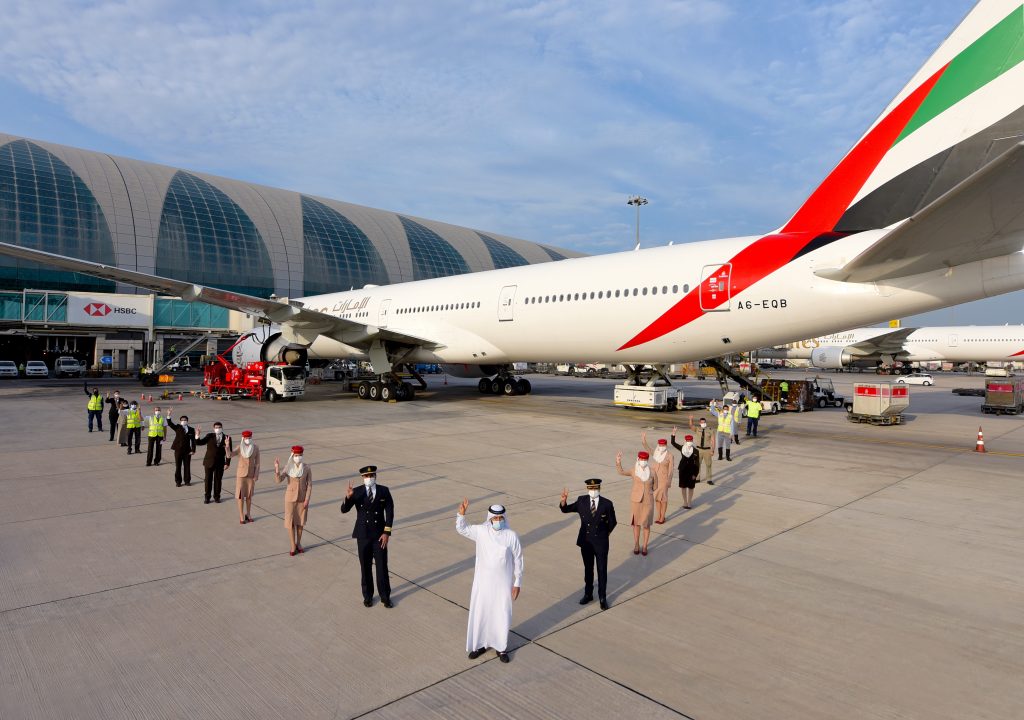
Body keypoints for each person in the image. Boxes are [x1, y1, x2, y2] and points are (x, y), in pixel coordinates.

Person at [456, 499, 524, 663]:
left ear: (504, 518)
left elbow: (518, 559)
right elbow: (462, 528)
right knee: (482, 612)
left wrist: (517, 582)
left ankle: (501, 648)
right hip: (483, 583)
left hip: (503, 584)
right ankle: (480, 645)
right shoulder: (481, 531)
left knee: (501, 613)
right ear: (490, 518)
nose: (498, 521)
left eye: (501, 518)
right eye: (495, 518)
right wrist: (461, 514)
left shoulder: (511, 536)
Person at [341, 465, 395, 607]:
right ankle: (368, 596)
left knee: (382, 567)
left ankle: (385, 597)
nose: (369, 478)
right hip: (363, 535)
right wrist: (348, 497)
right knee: (365, 567)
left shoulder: (384, 491)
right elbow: (344, 510)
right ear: (362, 478)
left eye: (371, 476)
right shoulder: (357, 492)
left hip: (379, 536)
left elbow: (389, 512)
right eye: (366, 476)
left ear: (375, 476)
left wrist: (386, 532)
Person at [559, 478, 616, 610]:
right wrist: (563, 501)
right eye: (591, 489)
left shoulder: (607, 504)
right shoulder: (582, 501)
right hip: (586, 541)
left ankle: (602, 597)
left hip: (601, 543)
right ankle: (588, 593)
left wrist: (604, 534)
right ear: (587, 489)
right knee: (588, 569)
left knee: (602, 570)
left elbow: (613, 522)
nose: (593, 491)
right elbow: (566, 509)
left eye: (595, 489)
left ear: (599, 489)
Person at [616, 449, 655, 556]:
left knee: (646, 525)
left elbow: (655, 486)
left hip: (648, 502)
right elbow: (621, 472)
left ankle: (645, 545)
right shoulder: (634, 470)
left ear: (647, 460)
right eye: (641, 459)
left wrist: (649, 492)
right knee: (636, 524)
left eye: (645, 459)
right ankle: (637, 544)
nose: (643, 461)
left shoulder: (652, 471)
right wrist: (618, 462)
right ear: (638, 459)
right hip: (635, 501)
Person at [274, 447, 312, 556]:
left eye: (300, 455)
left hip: (302, 499)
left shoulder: (307, 468)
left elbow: (309, 485)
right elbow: (278, 480)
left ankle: (299, 543)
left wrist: (307, 499)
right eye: (296, 455)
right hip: (290, 499)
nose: (298, 457)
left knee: (300, 523)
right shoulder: (288, 467)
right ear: (292, 455)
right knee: (290, 523)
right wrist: (277, 469)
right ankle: (292, 545)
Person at [641, 431, 673, 524]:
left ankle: (662, 517)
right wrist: (644, 440)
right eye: (660, 445)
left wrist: (669, 481)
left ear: (666, 445)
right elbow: (647, 448)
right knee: (657, 498)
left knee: (663, 499)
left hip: (664, 480)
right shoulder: (656, 453)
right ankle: (659, 515)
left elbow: (671, 470)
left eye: (663, 445)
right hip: (655, 479)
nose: (662, 447)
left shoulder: (670, 456)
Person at [196, 421, 232, 503]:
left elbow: (229, 451)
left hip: (220, 463)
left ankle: (217, 497)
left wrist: (227, 463)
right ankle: (207, 497)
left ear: (222, 428)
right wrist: (197, 435)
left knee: (218, 480)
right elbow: (199, 443)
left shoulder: (227, 437)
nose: (218, 429)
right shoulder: (210, 436)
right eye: (216, 427)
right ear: (213, 428)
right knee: (208, 480)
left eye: (219, 427)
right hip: (209, 462)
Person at [230, 430, 260, 524]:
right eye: (246, 438)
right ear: (243, 438)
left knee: (249, 496)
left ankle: (249, 514)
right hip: (241, 475)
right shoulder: (240, 447)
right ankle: (241, 515)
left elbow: (258, 463)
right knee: (240, 496)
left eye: (249, 438)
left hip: (251, 475)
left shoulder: (255, 448)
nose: (248, 439)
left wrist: (256, 475)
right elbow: (229, 455)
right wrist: (227, 447)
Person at [165, 411, 196, 487]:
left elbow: (193, 441)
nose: (183, 421)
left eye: (185, 420)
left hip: (187, 451)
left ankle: (187, 481)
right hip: (178, 450)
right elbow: (170, 424)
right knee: (178, 466)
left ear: (187, 421)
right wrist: (168, 415)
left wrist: (193, 450)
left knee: (187, 466)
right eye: (182, 420)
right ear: (180, 421)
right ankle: (178, 481)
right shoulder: (177, 427)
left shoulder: (191, 429)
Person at [671, 430, 700, 509]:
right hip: (683, 470)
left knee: (691, 487)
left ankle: (689, 502)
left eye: (690, 440)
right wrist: (673, 433)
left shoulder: (696, 451)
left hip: (691, 471)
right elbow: (673, 443)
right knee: (683, 486)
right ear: (685, 441)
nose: (689, 442)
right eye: (688, 440)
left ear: (692, 441)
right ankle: (685, 502)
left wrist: (695, 474)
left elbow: (697, 463)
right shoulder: (682, 448)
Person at [688, 415, 716, 485]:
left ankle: (709, 479)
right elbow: (691, 426)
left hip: (707, 450)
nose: (703, 423)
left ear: (706, 423)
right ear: (700, 423)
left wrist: (712, 450)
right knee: (697, 465)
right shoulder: (697, 429)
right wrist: (691, 419)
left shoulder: (710, 430)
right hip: (699, 450)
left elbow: (713, 440)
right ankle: (697, 478)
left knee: (709, 465)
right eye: (702, 422)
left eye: (704, 422)